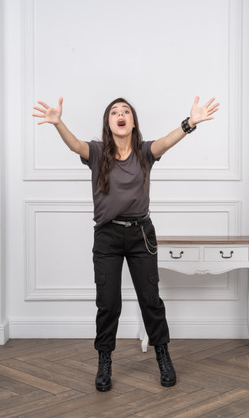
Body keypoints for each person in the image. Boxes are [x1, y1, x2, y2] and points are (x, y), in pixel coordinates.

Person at [33, 95, 219, 391]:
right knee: (108, 304)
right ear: (109, 123)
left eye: (126, 112)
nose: (120, 115)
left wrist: (190, 123)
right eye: (114, 112)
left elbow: (168, 141)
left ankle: (163, 357)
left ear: (132, 122)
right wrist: (58, 123)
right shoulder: (96, 152)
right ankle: (104, 362)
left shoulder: (145, 152)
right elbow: (74, 145)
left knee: (151, 301)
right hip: (107, 235)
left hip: (141, 235)